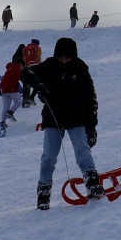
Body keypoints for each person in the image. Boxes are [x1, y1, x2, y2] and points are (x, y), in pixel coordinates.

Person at [25, 36, 101, 210]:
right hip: (53, 119)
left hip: (76, 118)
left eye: (68, 57)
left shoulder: (81, 68)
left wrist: (91, 128)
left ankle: (92, 184)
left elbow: (91, 99)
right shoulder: (48, 66)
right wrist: (40, 85)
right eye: (61, 57)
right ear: (56, 55)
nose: (65, 60)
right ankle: (43, 192)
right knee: (49, 157)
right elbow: (26, 73)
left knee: (83, 150)